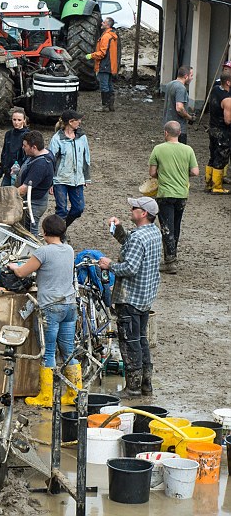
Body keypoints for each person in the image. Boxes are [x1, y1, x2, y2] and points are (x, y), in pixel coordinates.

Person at [7, 215, 80, 408]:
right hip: (69, 305)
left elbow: (23, 272)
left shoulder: (43, 252)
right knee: (68, 351)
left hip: (51, 307)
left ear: (45, 232)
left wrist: (13, 266)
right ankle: (74, 394)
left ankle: (46, 397)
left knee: (48, 352)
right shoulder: (69, 249)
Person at [98, 197, 162, 398]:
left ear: (143, 213)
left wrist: (110, 266)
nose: (131, 209)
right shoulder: (154, 232)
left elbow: (130, 267)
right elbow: (131, 245)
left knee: (129, 342)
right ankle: (146, 385)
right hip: (145, 297)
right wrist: (118, 229)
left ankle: (132, 388)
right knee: (141, 340)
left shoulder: (138, 237)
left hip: (130, 298)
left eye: (134, 208)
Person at [149, 121, 199, 273]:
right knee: (176, 225)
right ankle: (172, 256)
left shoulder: (158, 149)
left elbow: (152, 173)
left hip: (165, 193)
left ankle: (170, 261)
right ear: (179, 133)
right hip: (182, 194)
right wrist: (184, 174)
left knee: (166, 227)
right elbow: (195, 172)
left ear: (166, 133)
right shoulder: (188, 149)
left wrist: (163, 173)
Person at [48, 109, 91, 233]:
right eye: (78, 120)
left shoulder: (82, 137)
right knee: (61, 210)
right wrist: (50, 182)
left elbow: (85, 157)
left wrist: (86, 177)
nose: (80, 122)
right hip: (60, 180)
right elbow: (51, 161)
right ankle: (60, 235)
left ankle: (60, 229)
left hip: (77, 179)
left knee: (79, 208)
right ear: (70, 122)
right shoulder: (57, 139)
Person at [16, 130, 54, 236]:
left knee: (29, 233)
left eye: (25, 145)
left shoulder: (40, 165)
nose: (23, 148)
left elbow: (24, 189)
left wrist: (7, 195)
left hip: (33, 204)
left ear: (34, 147)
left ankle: (34, 251)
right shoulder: (45, 153)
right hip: (34, 200)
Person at [205, 68, 231, 194]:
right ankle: (217, 186)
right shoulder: (227, 99)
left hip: (212, 128)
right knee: (221, 158)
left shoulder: (215, 90)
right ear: (228, 83)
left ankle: (208, 184)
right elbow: (228, 120)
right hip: (223, 132)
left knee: (212, 156)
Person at [87, 17, 119, 113]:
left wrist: (91, 55)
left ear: (108, 25)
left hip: (104, 64)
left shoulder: (105, 37)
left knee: (104, 85)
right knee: (109, 84)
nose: (102, 23)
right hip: (110, 64)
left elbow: (102, 53)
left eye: (104, 22)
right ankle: (110, 106)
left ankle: (104, 106)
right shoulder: (112, 36)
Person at [0, 108, 28, 186]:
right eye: (14, 119)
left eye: (19, 120)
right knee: (3, 196)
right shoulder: (8, 134)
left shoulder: (27, 135)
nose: (16, 122)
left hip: (19, 175)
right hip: (7, 173)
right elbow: (4, 154)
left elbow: (27, 157)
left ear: (24, 120)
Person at [161, 66, 195, 143]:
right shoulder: (181, 88)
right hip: (178, 129)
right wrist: (189, 117)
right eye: (191, 76)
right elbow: (179, 108)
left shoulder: (170, 84)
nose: (192, 78)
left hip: (168, 125)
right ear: (186, 76)